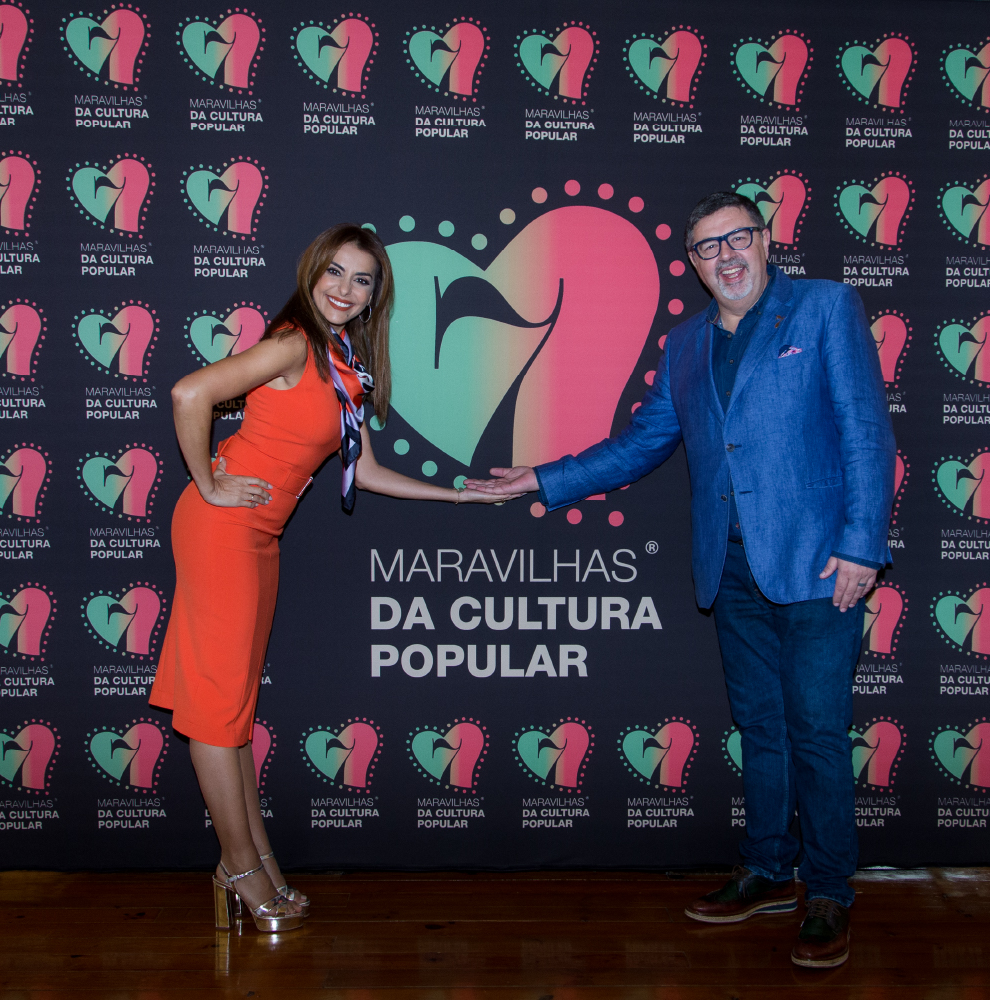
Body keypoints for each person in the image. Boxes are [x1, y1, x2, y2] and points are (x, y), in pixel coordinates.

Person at [466, 192, 896, 969]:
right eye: (707, 247)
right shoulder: (686, 342)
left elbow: (866, 433)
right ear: (693, 263)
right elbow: (641, 445)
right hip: (727, 568)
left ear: (766, 240)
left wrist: (863, 546)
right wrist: (542, 478)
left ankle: (829, 892)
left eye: (737, 239)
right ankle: (767, 869)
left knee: (817, 734)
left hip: (818, 564)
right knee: (761, 728)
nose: (726, 257)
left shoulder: (826, 307)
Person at [150, 224, 514, 933]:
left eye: (362, 280)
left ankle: (254, 860)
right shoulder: (292, 343)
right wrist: (210, 485)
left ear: (376, 295)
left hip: (259, 536)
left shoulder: (342, 361)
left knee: (232, 711)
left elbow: (364, 470)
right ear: (312, 273)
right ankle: (239, 870)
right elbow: (190, 393)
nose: (346, 289)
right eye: (335, 273)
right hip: (222, 530)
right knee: (217, 713)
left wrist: (457, 496)